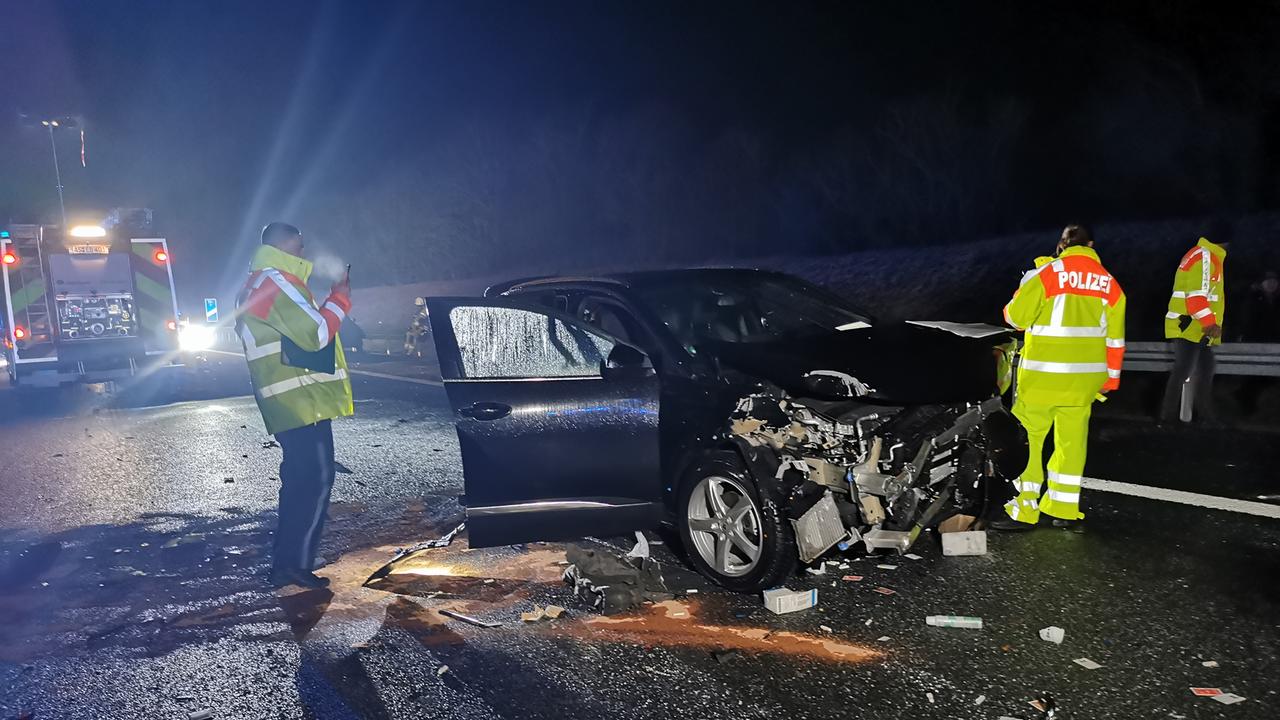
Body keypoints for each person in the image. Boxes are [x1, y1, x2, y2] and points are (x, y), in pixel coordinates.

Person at [236, 222, 353, 588]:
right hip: (301, 400)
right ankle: (294, 566)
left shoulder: (258, 283)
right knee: (314, 480)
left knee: (299, 480)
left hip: (288, 400)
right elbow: (317, 333)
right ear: (284, 247)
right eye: (299, 247)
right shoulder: (274, 281)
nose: (303, 254)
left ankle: (286, 562)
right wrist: (341, 297)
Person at [991, 224, 1126, 531]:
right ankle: (1064, 509)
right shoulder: (1109, 283)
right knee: (1072, 443)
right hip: (1084, 382)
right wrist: (1110, 380)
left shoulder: (1048, 274)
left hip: (1043, 377)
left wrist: (1027, 285)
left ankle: (1023, 511)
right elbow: (1115, 340)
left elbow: (1015, 318)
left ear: (1061, 245)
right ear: (1091, 244)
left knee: (1029, 440)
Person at [1159, 235, 1228, 425]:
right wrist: (1210, 323)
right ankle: (1167, 420)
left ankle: (1204, 418)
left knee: (1203, 370)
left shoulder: (1206, 255)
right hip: (1189, 325)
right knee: (1184, 371)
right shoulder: (1205, 256)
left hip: (1195, 326)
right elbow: (1195, 298)